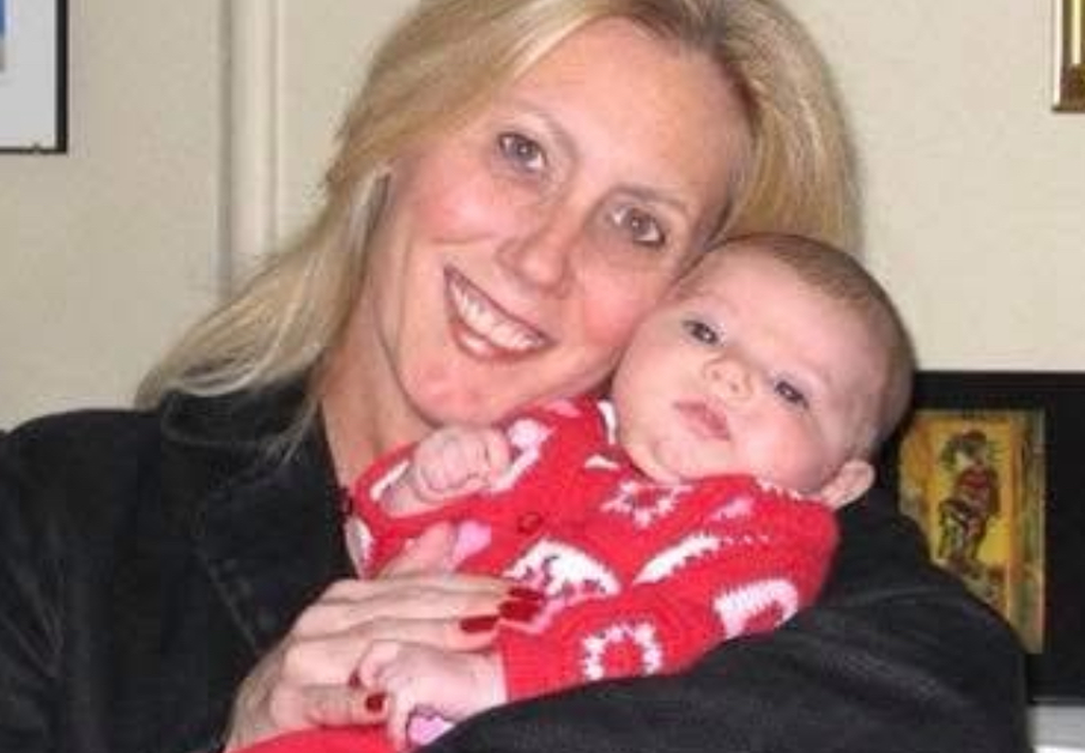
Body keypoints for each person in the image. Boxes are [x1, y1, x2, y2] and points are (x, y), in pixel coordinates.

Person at [0, 0, 1030, 753]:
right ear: (396, 133)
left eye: (637, 224)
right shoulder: (69, 518)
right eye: (521, 152)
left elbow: (951, 699)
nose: (541, 257)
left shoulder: (752, 525)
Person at [242, 232, 915, 753]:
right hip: (358, 717)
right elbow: (381, 564)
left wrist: (493, 678)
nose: (730, 375)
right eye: (705, 332)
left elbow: (671, 634)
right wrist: (417, 492)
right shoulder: (549, 430)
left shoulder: (765, 534)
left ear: (838, 482)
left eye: (790, 390)